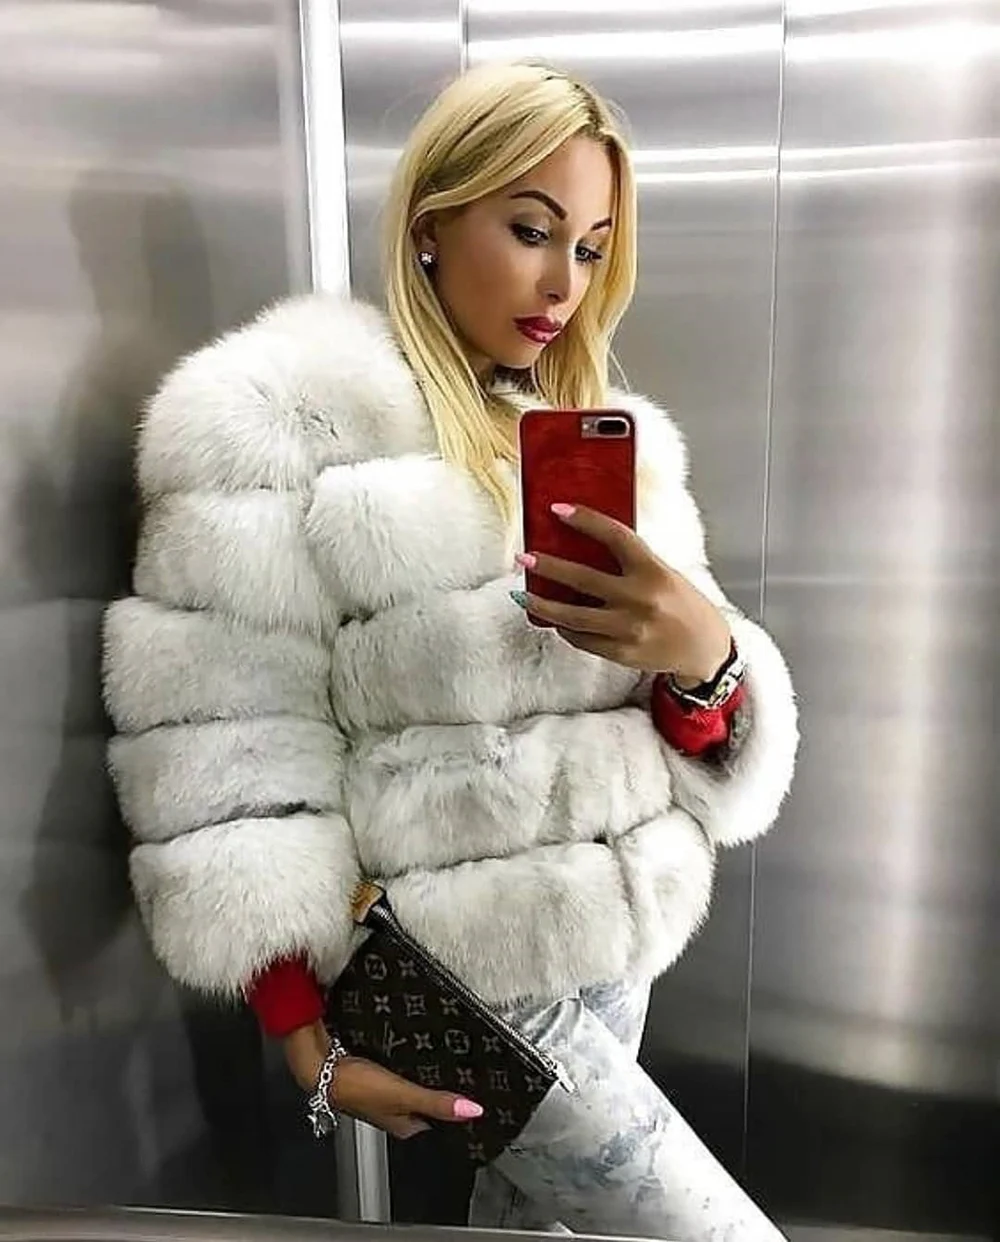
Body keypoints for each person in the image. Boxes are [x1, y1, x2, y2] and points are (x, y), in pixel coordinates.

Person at [103, 61, 798, 1241]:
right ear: (431, 223)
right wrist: (304, 1036)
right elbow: (226, 745)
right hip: (457, 970)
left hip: (619, 942)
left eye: (591, 248)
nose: (562, 283)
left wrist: (706, 657)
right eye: (530, 230)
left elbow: (679, 718)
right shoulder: (278, 419)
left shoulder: (593, 441)